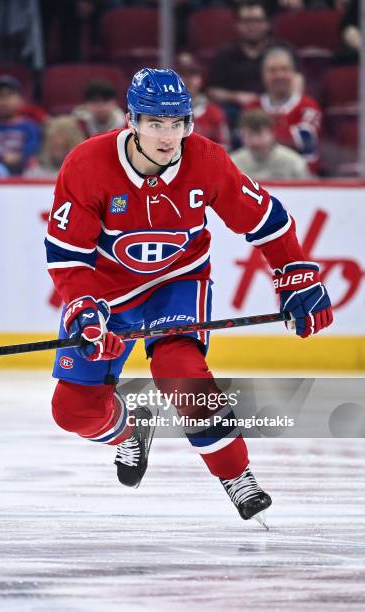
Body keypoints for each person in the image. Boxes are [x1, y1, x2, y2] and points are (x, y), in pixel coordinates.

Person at [45, 68, 333, 526]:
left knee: (180, 371)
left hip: (177, 281)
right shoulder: (86, 164)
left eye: (177, 123)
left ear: (189, 123)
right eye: (155, 123)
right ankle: (129, 431)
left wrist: (295, 272)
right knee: (72, 411)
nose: (167, 135)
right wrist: (85, 307)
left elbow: (268, 221)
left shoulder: (207, 161)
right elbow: (67, 255)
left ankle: (238, 477)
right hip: (106, 291)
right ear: (131, 121)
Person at [247, 45, 322, 173]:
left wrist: (264, 136)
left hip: (301, 180)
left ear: (293, 73)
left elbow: (306, 138)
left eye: (284, 69)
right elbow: (243, 138)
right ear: (263, 75)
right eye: (272, 70)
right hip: (260, 176)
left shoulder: (307, 105)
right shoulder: (252, 107)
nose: (279, 75)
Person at [207, 1, 273, 129]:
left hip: (273, 108)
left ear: (267, 24)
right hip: (235, 111)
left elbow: (296, 84)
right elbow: (213, 91)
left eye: (257, 20)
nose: (252, 26)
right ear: (238, 25)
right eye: (247, 21)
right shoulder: (225, 54)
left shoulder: (280, 51)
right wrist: (237, 97)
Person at [0, 76, 43, 176]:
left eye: (9, 95)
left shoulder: (29, 126)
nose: (4, 101)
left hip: (23, 171)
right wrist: (0, 157)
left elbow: (33, 148)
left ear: (20, 100)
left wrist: (19, 157)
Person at [231, 109, 310, 179]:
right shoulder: (233, 164)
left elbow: (305, 193)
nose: (255, 141)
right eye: (249, 135)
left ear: (272, 133)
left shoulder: (293, 162)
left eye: (259, 134)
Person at [176, 53, 230, 148]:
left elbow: (225, 146)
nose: (188, 80)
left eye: (193, 74)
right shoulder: (163, 111)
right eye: (183, 74)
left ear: (201, 79)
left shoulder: (214, 112)